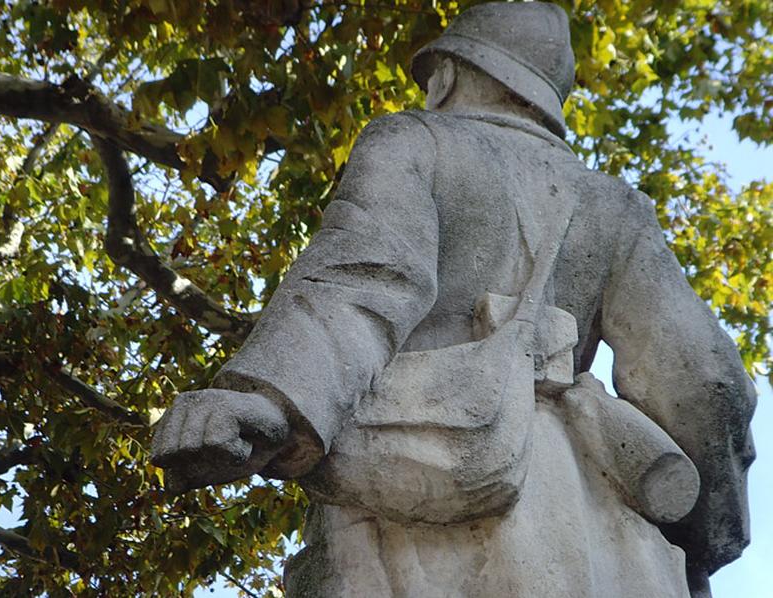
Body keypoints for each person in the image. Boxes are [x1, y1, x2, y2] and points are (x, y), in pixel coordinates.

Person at [151, 3, 755, 596]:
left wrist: (269, 401)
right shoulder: (616, 207)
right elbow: (707, 380)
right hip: (601, 526)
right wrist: (699, 536)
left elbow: (363, 281)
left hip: (416, 486)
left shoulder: (413, 141)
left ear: (450, 74)